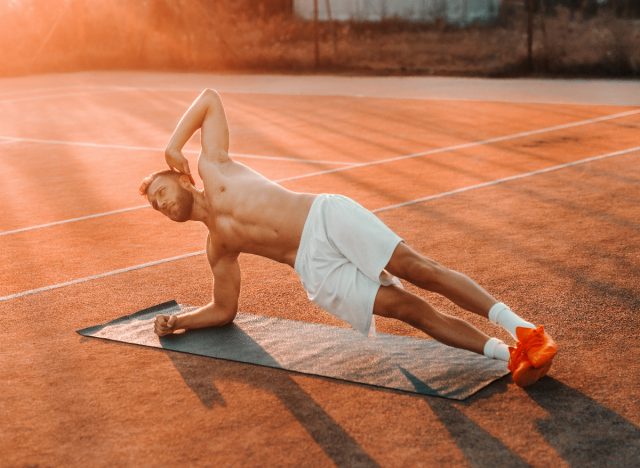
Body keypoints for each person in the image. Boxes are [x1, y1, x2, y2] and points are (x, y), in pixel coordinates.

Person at [140, 89, 557, 387]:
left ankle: (524, 331)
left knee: (418, 269)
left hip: (324, 217)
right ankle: (509, 357)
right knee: (411, 310)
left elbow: (210, 98)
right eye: (157, 208)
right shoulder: (218, 246)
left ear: (181, 178)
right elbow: (224, 308)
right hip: (314, 269)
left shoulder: (213, 166)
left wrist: (173, 143)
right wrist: (181, 322)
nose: (163, 205)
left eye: (161, 193)